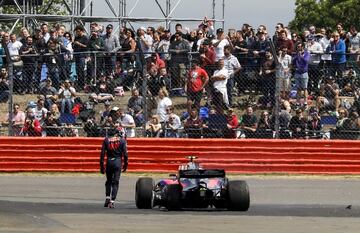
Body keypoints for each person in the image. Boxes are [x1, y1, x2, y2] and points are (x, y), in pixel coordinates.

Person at [99, 127, 128, 209]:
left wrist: (101, 166)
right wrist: (125, 165)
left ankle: (107, 197)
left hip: (109, 161)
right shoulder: (122, 141)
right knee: (115, 182)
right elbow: (125, 155)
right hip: (117, 162)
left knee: (108, 181)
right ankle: (112, 201)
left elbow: (102, 154)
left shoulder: (106, 140)